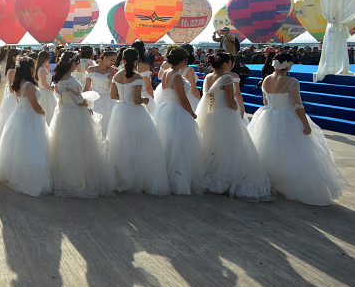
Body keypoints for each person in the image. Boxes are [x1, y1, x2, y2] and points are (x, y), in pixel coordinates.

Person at [247, 53, 347, 205]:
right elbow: (297, 105)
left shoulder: (266, 79)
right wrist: (306, 124)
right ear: (289, 65)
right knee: (291, 152)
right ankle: (287, 183)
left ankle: (271, 180)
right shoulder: (292, 81)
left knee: (267, 150)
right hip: (286, 117)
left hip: (267, 116)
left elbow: (266, 101)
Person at [196, 52, 272, 202]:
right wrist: (237, 110)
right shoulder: (226, 78)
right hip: (225, 115)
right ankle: (227, 178)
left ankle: (212, 177)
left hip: (211, 116)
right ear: (225, 64)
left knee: (213, 147)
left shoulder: (208, 77)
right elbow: (231, 102)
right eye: (230, 62)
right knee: (231, 148)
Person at [106, 48, 170, 196]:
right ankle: (136, 177)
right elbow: (136, 100)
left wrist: (124, 100)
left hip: (121, 110)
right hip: (135, 112)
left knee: (120, 144)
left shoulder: (117, 75)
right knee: (140, 144)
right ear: (136, 61)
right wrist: (145, 100)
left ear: (122, 60)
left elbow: (113, 95)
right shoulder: (137, 77)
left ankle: (122, 177)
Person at [50, 51, 111, 198]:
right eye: (77, 64)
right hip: (75, 115)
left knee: (64, 147)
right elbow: (79, 101)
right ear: (72, 63)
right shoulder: (70, 81)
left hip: (62, 113)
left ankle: (64, 179)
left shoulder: (58, 79)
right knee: (80, 147)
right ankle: (79, 181)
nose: (78, 66)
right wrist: (88, 103)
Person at [151, 48, 204, 196]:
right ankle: (178, 178)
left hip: (166, 109)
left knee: (168, 144)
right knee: (179, 147)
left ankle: (168, 176)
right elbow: (183, 99)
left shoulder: (167, 72)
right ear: (182, 61)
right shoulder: (176, 76)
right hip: (177, 111)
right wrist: (192, 113)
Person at [0, 57, 52, 197]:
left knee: (19, 146)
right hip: (31, 116)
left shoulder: (18, 83)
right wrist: (43, 112)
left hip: (20, 114)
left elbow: (20, 101)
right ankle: (31, 178)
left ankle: (16, 173)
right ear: (30, 69)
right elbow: (35, 105)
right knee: (32, 147)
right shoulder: (29, 85)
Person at [85, 50, 118, 137]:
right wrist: (83, 101)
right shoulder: (91, 69)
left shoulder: (114, 71)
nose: (113, 62)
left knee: (108, 124)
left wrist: (112, 81)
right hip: (94, 98)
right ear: (105, 58)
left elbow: (117, 88)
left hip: (109, 99)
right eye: (111, 60)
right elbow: (86, 88)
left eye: (114, 60)